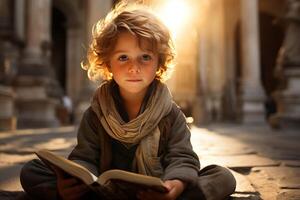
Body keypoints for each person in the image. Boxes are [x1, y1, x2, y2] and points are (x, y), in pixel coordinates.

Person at [20, 2, 236, 200]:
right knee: (31, 170)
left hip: (156, 189)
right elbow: (85, 158)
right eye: (123, 57)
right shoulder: (96, 113)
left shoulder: (170, 113)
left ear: (159, 63)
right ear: (107, 63)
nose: (134, 67)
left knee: (222, 176)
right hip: (106, 191)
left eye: (145, 57)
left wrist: (175, 185)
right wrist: (73, 182)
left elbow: (182, 157)